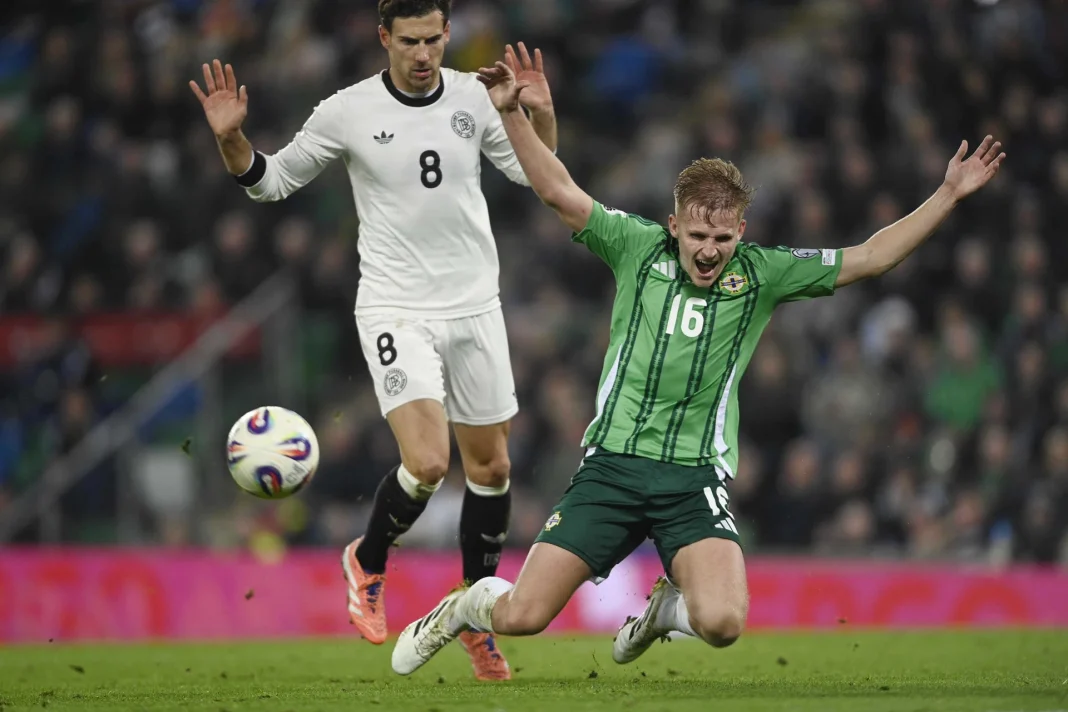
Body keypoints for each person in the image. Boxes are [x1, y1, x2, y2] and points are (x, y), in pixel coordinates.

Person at [391, 54, 1006, 675]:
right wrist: (512, 116)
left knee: (723, 623)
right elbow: (557, 190)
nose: (710, 251)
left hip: (692, 478)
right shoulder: (634, 246)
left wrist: (948, 194)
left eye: (723, 239)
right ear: (674, 226)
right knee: (524, 615)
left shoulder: (764, 273)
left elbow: (871, 257)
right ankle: (462, 608)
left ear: (741, 231)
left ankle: (664, 612)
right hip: (613, 468)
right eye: (697, 237)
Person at [189, 2, 558, 681]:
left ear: (447, 35)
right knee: (428, 462)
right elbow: (270, 182)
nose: (423, 55)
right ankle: (367, 559)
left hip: (475, 305)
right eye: (410, 41)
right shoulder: (347, 110)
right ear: (384, 37)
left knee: (492, 470)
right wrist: (232, 140)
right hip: (396, 308)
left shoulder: (476, 96)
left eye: (433, 40)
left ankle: (473, 615)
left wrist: (539, 114)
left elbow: (539, 171)